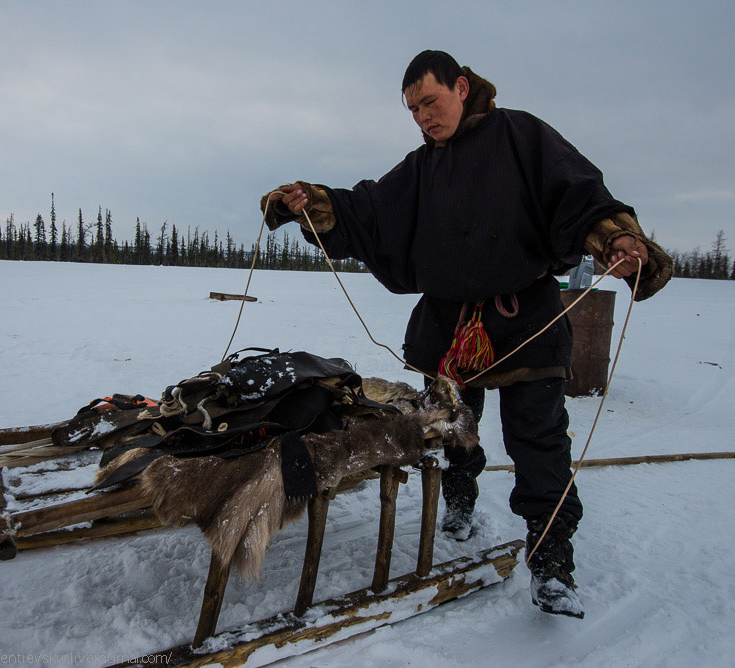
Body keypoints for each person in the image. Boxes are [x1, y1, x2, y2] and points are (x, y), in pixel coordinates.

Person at [261, 50, 673, 618]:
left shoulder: (522, 137)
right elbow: (371, 211)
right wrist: (315, 204)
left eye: (430, 101)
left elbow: (579, 195)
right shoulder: (421, 167)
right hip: (450, 326)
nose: (423, 117)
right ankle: (459, 502)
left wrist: (616, 239)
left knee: (539, 442)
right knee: (453, 428)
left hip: (524, 315)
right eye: (412, 110)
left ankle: (551, 562)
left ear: (461, 86)